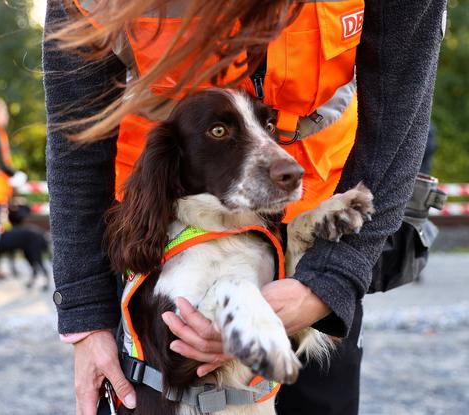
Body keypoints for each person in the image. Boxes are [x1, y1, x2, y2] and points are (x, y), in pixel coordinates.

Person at [43, 1, 447, 414]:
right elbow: (76, 135)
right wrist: (85, 317)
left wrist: (332, 278)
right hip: (159, 225)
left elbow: (403, 102)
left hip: (321, 223)